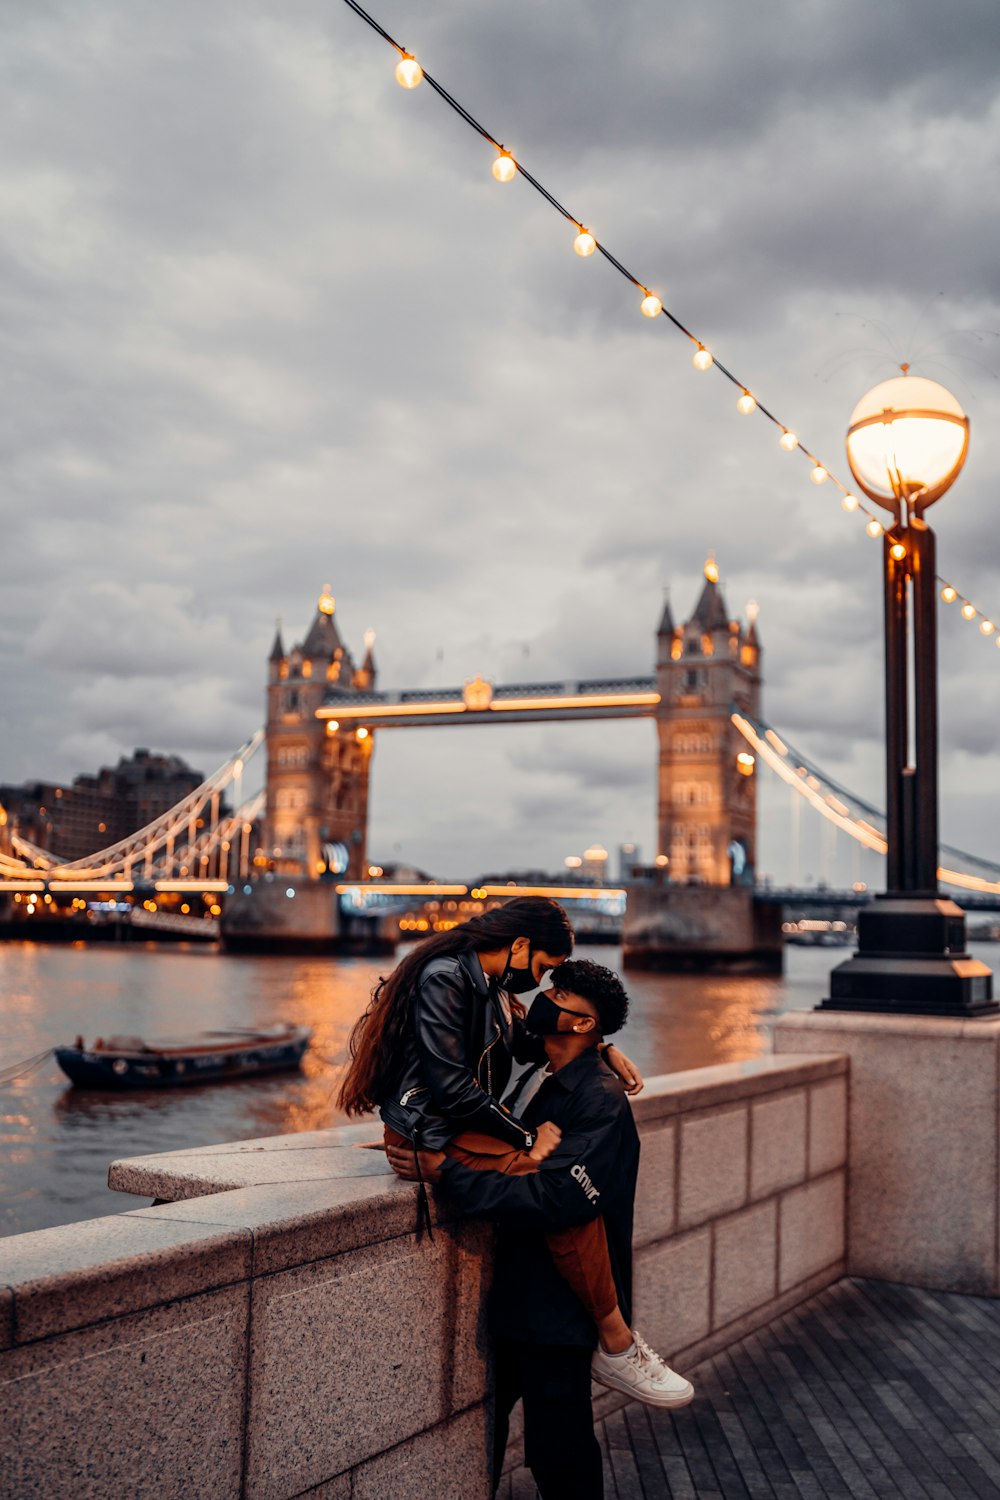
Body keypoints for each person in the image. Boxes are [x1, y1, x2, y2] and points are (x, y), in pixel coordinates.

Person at [387, 959, 694, 1500]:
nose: (544, 998)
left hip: (559, 1304)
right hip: (522, 1290)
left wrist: (446, 1172)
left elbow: (561, 1197)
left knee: (561, 1453)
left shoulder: (599, 1098)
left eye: (559, 995)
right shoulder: (541, 1072)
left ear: (580, 1024)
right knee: (493, 1437)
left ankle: (620, 1346)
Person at [337, 897, 651, 1363]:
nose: (542, 984)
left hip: (458, 1129)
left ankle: (615, 1335)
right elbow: (451, 1089)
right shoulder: (446, 978)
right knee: (559, 1196)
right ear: (520, 945)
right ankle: (617, 1340)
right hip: (428, 1132)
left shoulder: (489, 987)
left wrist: (600, 1048)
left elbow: (527, 1044)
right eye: (545, 969)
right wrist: (525, 1138)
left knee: (561, 1188)